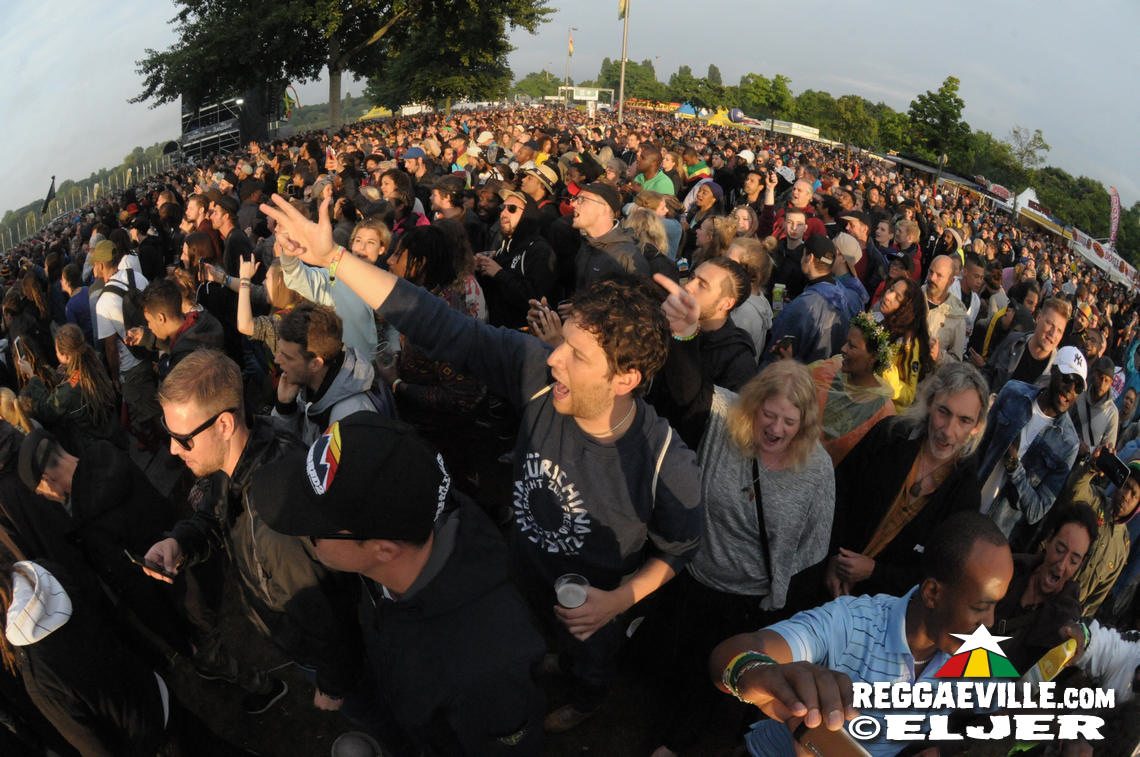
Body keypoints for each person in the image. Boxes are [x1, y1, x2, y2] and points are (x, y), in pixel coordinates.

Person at [258, 193, 703, 734]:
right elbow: (440, 325)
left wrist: (617, 600)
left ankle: (587, 698)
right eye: (563, 343)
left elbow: (680, 547)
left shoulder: (664, 461)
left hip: (594, 603)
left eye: (577, 355)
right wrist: (335, 259)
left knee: (588, 660)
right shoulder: (538, 374)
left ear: (625, 379)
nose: (554, 357)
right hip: (519, 574)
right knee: (528, 646)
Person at [252, 412, 546, 755]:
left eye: (313, 530)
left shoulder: (486, 674)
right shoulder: (419, 516)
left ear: (384, 550)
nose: (303, 539)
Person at [647, 277, 834, 756]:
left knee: (720, 685)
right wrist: (685, 335)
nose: (776, 429)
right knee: (679, 662)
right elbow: (689, 392)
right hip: (695, 580)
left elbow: (813, 552)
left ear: (805, 425)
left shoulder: (817, 469)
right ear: (754, 405)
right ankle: (661, 725)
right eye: (769, 415)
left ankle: (684, 743)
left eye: (789, 422)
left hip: (749, 602)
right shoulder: (727, 417)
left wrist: (787, 617)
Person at [143, 350, 361, 715]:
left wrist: (333, 683)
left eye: (183, 439)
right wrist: (179, 542)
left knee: (372, 717)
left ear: (224, 425)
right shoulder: (245, 449)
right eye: (169, 434)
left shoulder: (277, 525)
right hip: (298, 635)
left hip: (320, 652)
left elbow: (329, 617)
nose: (172, 449)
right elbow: (215, 515)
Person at [709, 512, 1014, 757]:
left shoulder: (977, 651)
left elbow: (1005, 708)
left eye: (996, 605)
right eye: (980, 607)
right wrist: (756, 672)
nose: (989, 622)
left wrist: (943, 749)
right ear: (933, 593)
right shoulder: (851, 622)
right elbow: (734, 653)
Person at [825, 362, 990, 597]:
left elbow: (937, 572)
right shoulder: (890, 436)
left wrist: (875, 572)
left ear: (976, 427)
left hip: (879, 606)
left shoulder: (965, 495)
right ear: (930, 403)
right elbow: (838, 490)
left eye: (964, 420)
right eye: (944, 412)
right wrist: (833, 556)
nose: (948, 430)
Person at [976, 345, 1084, 549]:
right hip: (968, 504)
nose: (1070, 389)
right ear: (1053, 370)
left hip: (995, 538)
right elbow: (978, 447)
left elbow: (1036, 511)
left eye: (1078, 387)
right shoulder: (1013, 392)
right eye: (1068, 378)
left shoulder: (1068, 444)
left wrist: (1014, 467)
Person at [992, 504, 1096, 672]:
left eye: (1073, 561)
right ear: (1049, 540)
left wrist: (1081, 635)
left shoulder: (1066, 611)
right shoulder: (1011, 566)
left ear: (1081, 565)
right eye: (1060, 550)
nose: (1061, 565)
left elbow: (1073, 624)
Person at [272, 303, 389, 445]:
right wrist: (285, 408)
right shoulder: (308, 384)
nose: (277, 360)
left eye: (287, 357)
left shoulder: (350, 420)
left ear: (315, 364)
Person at [1054, 452, 1139, 618]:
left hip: (1065, 615)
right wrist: (1091, 467)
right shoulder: (1095, 501)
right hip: (1046, 586)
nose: (1126, 496)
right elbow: (1075, 490)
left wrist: (1077, 620)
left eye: (1134, 494)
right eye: (1126, 486)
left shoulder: (1122, 548)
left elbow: (1096, 598)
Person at [18, 324, 122, 454]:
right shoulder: (94, 358)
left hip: (95, 447)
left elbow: (47, 410)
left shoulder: (69, 389)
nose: (56, 354)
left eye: (57, 351)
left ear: (66, 356)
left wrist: (32, 377)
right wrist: (68, 371)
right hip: (113, 431)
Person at [811, 313, 897, 466]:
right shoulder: (831, 369)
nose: (843, 349)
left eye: (852, 346)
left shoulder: (883, 412)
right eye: (846, 343)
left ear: (873, 357)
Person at [762, 235, 864, 366]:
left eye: (803, 254)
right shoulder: (849, 296)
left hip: (802, 374)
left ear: (809, 258)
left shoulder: (803, 305)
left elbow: (774, 353)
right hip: (833, 372)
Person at [473, 188, 557, 329]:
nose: (503, 213)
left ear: (527, 214)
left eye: (511, 209)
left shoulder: (539, 250)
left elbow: (536, 300)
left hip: (520, 335)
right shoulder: (505, 245)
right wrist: (480, 268)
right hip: (495, 329)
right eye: (502, 208)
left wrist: (499, 273)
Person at [676, 257, 756, 391]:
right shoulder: (674, 323)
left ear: (726, 304)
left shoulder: (737, 362)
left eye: (702, 285)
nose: (688, 286)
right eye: (692, 278)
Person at [983, 296, 1071, 393]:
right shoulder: (1013, 341)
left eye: (1059, 331)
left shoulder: (1056, 372)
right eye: (1050, 323)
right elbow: (987, 372)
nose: (1053, 333)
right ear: (1038, 318)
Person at [572, 182, 649, 291]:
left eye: (582, 199)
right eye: (575, 199)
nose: (573, 204)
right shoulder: (587, 244)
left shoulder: (628, 258)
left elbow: (640, 300)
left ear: (604, 208)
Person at [876, 277, 934, 408]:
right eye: (891, 289)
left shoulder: (909, 343)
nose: (888, 296)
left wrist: (887, 373)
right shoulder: (879, 320)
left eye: (897, 298)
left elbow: (909, 395)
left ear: (907, 308)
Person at [726, 236, 775, 362]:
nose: (723, 265)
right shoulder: (756, 299)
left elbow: (730, 357)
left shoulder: (744, 311)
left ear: (750, 272)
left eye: (730, 263)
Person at [1071, 356, 1120, 456]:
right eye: (1100, 378)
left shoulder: (1112, 413)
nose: (1102, 384)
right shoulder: (1080, 395)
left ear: (1111, 383)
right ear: (1094, 374)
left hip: (1084, 461)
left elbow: (1107, 450)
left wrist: (1089, 450)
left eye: (1106, 380)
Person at [924, 255, 968, 362]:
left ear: (951, 281)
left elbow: (956, 362)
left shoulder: (957, 317)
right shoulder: (912, 296)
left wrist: (939, 356)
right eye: (930, 272)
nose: (932, 278)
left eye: (939, 275)